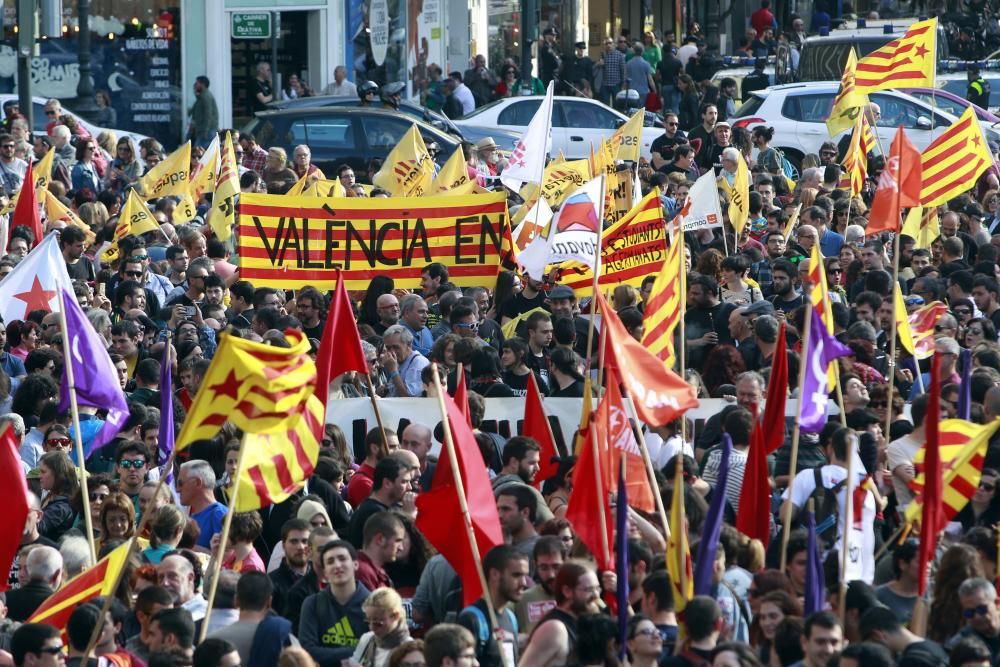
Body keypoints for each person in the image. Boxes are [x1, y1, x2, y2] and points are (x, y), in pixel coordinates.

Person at [300, 540, 371, 665]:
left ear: (355, 564)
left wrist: (326, 654)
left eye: (342, 559)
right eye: (330, 561)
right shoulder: (312, 603)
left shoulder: (373, 604)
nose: (337, 565)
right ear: (325, 572)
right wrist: (356, 652)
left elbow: (377, 648)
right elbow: (307, 650)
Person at [519, 562, 602, 667]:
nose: (596, 595)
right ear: (567, 591)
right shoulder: (555, 628)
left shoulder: (583, 625)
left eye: (597, 588)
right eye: (589, 589)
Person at [188, 76, 219, 149]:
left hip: (207, 131)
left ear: (203, 84)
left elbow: (208, 115)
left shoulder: (206, 96)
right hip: (203, 130)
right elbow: (194, 112)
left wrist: (205, 130)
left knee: (199, 151)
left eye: (197, 83)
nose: (195, 85)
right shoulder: (201, 97)